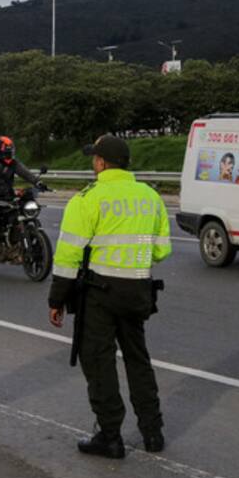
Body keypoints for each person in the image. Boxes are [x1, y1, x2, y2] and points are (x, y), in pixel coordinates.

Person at [47, 134, 171, 459]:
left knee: (99, 361)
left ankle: (110, 437)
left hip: (100, 293)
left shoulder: (87, 198)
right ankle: (153, 432)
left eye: (94, 159)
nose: (93, 163)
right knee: (138, 360)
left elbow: (68, 256)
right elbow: (162, 250)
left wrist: (56, 300)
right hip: (139, 292)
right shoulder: (150, 196)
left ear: (101, 163)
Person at [0, 135, 41, 250]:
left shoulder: (13, 163)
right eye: (6, 153)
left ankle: (21, 237)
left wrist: (38, 182)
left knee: (23, 207)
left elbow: (25, 173)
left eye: (10, 152)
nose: (9, 155)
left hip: (7, 195)